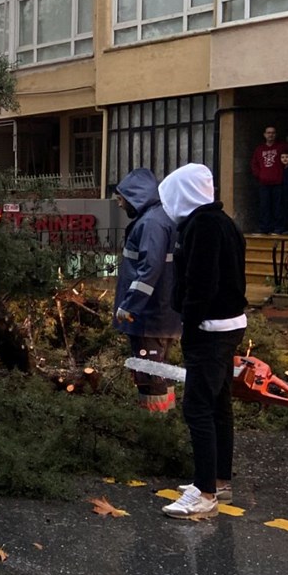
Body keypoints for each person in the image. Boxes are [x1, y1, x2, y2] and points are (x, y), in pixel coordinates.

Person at [157, 164, 247, 520]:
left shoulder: (201, 227)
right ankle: (219, 479)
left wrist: (189, 324)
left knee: (197, 408)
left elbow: (200, 283)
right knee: (219, 404)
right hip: (230, 324)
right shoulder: (224, 222)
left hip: (209, 329)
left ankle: (205, 492)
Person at [112, 169, 180, 413]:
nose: (119, 203)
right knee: (160, 372)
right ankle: (166, 423)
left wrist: (129, 306)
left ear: (135, 197)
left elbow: (148, 271)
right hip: (160, 315)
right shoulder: (159, 219)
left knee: (150, 376)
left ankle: (153, 431)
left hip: (147, 317)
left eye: (121, 198)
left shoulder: (151, 223)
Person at [250, 126, 288, 234]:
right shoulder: (259, 149)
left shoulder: (281, 147)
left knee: (278, 207)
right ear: (264, 134)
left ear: (276, 134)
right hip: (264, 182)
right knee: (264, 206)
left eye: (273, 133)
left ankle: (278, 228)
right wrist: (259, 175)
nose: (270, 135)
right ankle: (264, 228)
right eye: (268, 133)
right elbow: (254, 164)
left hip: (278, 182)